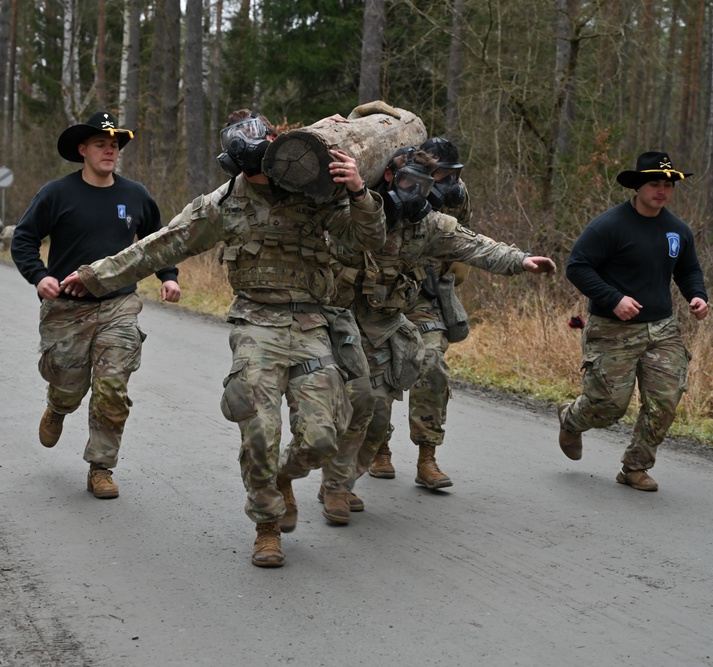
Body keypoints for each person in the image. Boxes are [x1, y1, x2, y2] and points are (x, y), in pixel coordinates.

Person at [61, 109, 385, 568]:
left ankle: (283, 479)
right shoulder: (223, 205)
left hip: (313, 325)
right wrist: (95, 275)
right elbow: (161, 244)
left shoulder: (315, 188)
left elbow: (368, 241)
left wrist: (357, 190)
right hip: (255, 326)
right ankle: (267, 527)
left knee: (320, 439)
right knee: (259, 431)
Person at [318, 146, 555, 519]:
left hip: (387, 323)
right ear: (390, 178)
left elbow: (475, 245)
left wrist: (521, 260)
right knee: (356, 402)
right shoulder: (355, 211)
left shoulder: (430, 226)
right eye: (408, 182)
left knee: (378, 416)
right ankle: (335, 487)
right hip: (342, 319)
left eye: (424, 185)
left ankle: (346, 478)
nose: (415, 192)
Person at [11, 110, 181, 503]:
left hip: (119, 306)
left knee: (112, 386)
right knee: (70, 386)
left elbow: (155, 241)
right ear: (82, 149)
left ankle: (101, 467)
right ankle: (58, 405)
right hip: (67, 310)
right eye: (102, 144)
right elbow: (23, 239)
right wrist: (39, 276)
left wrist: (168, 275)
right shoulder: (56, 194)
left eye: (115, 145)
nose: (110, 150)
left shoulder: (135, 195)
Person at [557, 151, 708, 492]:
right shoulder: (608, 226)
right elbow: (577, 267)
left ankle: (635, 467)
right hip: (613, 329)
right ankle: (571, 419)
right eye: (655, 184)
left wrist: (697, 296)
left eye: (668, 186)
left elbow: (688, 270)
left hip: (663, 329)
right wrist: (614, 298)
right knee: (608, 406)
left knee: (665, 400)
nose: (662, 192)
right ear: (638, 185)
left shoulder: (677, 230)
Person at [367, 136, 473, 487]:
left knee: (432, 365)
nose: (446, 183)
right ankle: (379, 447)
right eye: (439, 175)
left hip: (424, 295)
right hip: (380, 296)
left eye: (450, 175)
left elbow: (463, 241)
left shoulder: (458, 196)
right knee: (377, 373)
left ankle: (427, 456)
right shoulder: (391, 185)